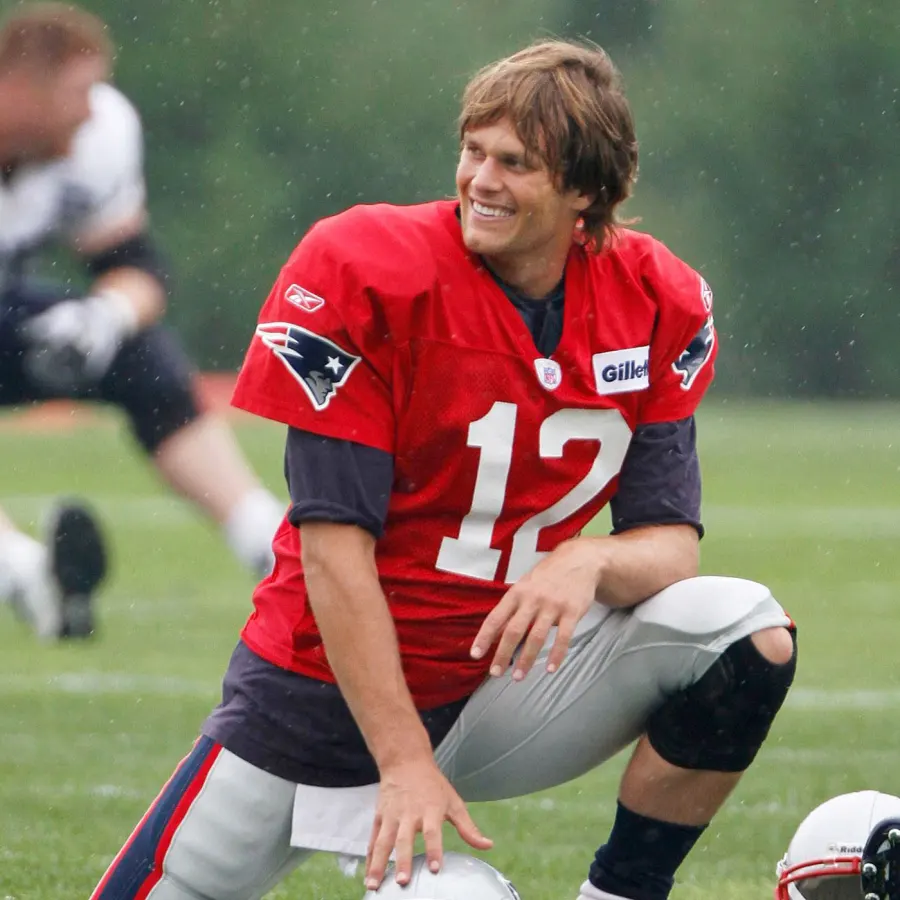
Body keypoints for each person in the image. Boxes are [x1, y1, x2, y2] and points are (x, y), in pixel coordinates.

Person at [88, 39, 798, 900]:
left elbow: (669, 549)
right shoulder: (367, 268)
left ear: (586, 191)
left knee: (743, 631)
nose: (481, 180)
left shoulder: (654, 297)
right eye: (474, 151)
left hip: (501, 683)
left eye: (516, 164)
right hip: (319, 707)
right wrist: (402, 761)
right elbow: (331, 553)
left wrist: (588, 558)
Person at [0, 3, 285, 639]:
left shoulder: (94, 138)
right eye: (76, 90)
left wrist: (104, 315)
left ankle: (270, 544)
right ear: (19, 82)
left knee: (138, 353)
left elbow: (135, 263)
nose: (89, 109)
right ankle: (23, 574)